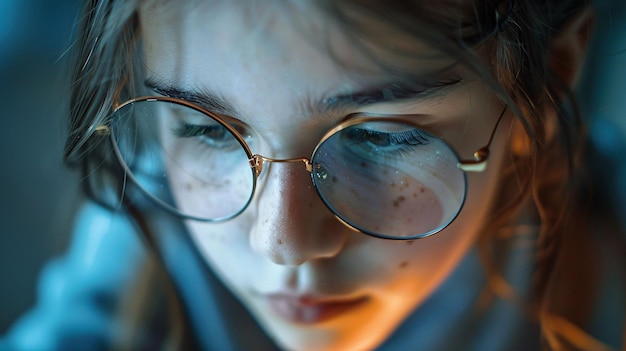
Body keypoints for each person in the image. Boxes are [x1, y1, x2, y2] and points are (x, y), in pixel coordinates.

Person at [2, 0, 624, 350]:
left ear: (550, 79)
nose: (282, 242)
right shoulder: (146, 217)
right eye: (208, 131)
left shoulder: (607, 242)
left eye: (380, 138)